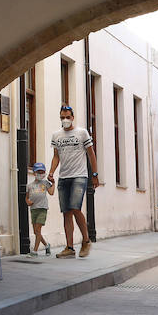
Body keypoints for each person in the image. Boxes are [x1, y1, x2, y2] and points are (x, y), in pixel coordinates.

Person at [47, 104, 100, 258]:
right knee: (66, 212)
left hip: (79, 176)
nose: (65, 120)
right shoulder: (56, 135)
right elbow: (56, 156)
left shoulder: (82, 133)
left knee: (75, 207)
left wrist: (95, 174)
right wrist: (51, 172)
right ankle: (69, 248)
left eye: (67, 117)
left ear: (73, 117)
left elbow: (91, 154)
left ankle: (86, 240)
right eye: (62, 117)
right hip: (64, 177)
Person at [26, 162, 53, 257]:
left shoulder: (45, 183)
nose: (40, 174)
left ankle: (35, 251)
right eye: (38, 172)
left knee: (38, 230)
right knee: (36, 232)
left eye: (42, 172)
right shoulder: (30, 185)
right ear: (34, 173)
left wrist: (53, 183)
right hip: (33, 210)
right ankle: (46, 245)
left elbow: (51, 192)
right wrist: (27, 201)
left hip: (42, 209)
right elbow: (27, 197)